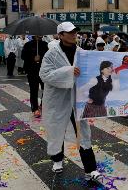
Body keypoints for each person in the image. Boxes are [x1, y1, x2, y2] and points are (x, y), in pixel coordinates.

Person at [39, 22, 102, 185]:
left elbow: (91, 74)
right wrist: (67, 72)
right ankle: (57, 159)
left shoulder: (82, 53)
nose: (74, 34)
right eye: (69, 32)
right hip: (58, 99)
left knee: (83, 132)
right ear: (60, 35)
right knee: (56, 128)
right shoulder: (51, 54)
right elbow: (44, 74)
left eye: (75, 32)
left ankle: (91, 169)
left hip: (77, 99)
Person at [21, 36, 48, 118]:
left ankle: (43, 104)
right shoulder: (28, 45)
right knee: (34, 90)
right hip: (32, 71)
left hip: (43, 71)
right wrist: (33, 58)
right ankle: (35, 108)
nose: (39, 36)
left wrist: (41, 58)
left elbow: (49, 57)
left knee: (46, 89)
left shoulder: (45, 44)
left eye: (41, 34)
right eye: (37, 34)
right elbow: (23, 56)